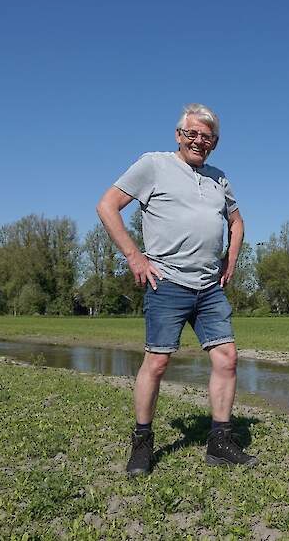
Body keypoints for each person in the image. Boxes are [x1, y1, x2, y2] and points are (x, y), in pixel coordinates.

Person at [96, 103, 255, 476]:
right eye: (193, 134)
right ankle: (142, 441)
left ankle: (219, 442)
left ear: (214, 143)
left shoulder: (219, 178)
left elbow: (238, 222)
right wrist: (134, 257)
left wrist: (230, 260)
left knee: (227, 358)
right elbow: (107, 206)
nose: (199, 141)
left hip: (209, 286)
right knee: (158, 361)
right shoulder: (154, 165)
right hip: (166, 281)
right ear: (179, 135)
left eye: (207, 137)